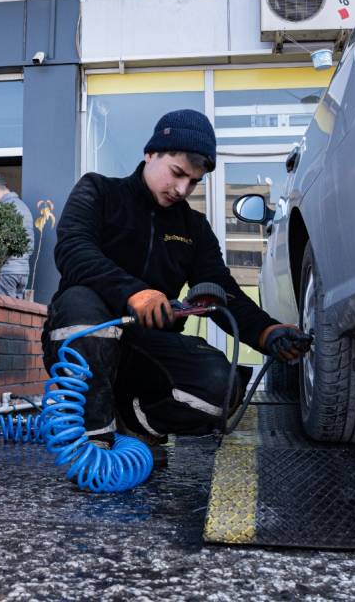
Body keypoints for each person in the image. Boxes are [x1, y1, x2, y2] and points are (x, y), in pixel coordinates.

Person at [43, 109, 311, 455]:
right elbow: (73, 250)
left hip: (146, 349)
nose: (183, 189)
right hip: (84, 335)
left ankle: (133, 421)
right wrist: (133, 293)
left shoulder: (193, 228)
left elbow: (221, 291)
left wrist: (267, 332)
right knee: (81, 304)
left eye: (195, 181)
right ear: (151, 154)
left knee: (221, 385)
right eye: (177, 173)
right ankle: (93, 441)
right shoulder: (99, 191)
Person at [0, 173, 34, 299]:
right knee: (16, 315)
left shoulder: (4, 209)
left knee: (3, 316)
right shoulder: (24, 207)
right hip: (23, 271)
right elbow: (29, 243)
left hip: (7, 272)